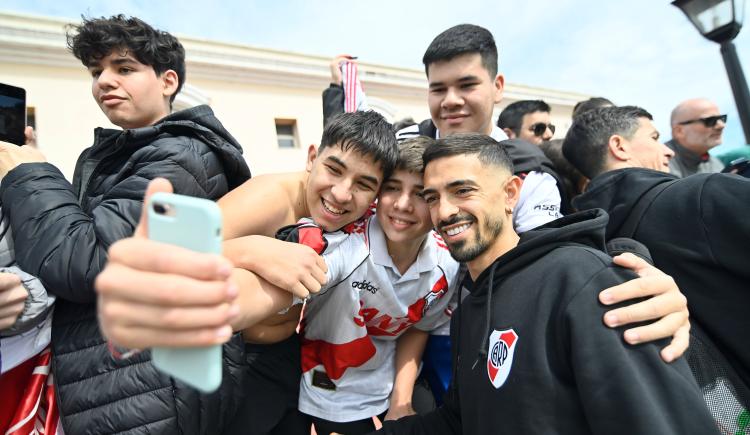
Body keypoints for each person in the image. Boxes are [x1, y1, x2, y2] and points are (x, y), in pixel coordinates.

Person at [0, 15, 252, 434]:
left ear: (168, 81)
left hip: (151, 395)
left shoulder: (182, 155)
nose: (104, 81)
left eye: (125, 68)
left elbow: (88, 264)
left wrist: (28, 172)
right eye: (97, 71)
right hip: (116, 387)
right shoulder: (118, 155)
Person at [375, 133, 718, 435]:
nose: (445, 211)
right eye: (432, 197)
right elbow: (460, 421)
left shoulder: (582, 279)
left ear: (511, 193)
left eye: (462, 190)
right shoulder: (467, 311)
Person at [563, 105, 750, 428]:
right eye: (654, 137)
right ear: (619, 146)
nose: (666, 151)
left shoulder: (576, 251)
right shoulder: (703, 194)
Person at [395, 24, 562, 234]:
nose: (451, 100)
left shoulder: (529, 172)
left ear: (497, 87)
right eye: (438, 89)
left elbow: (546, 248)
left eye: (466, 86)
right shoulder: (400, 144)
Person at [666, 98, 727, 177]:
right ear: (679, 131)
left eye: (722, 119)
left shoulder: (716, 164)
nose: (721, 125)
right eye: (710, 120)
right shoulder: (661, 161)